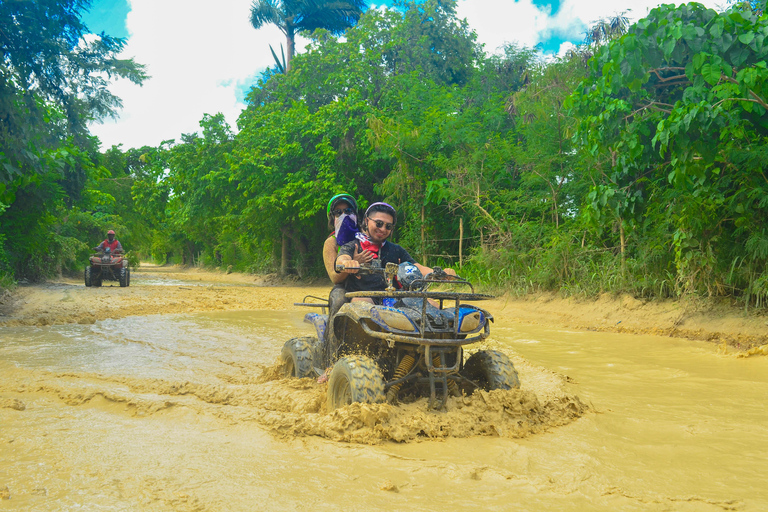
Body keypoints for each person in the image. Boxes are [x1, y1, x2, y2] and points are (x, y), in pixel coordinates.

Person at [335, 202, 455, 303]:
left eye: (388, 226)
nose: (382, 229)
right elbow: (342, 259)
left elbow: (416, 267)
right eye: (379, 223)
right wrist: (348, 263)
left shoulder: (396, 249)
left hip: (395, 300)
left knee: (431, 304)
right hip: (364, 297)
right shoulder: (353, 245)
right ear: (366, 221)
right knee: (362, 304)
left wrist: (440, 273)